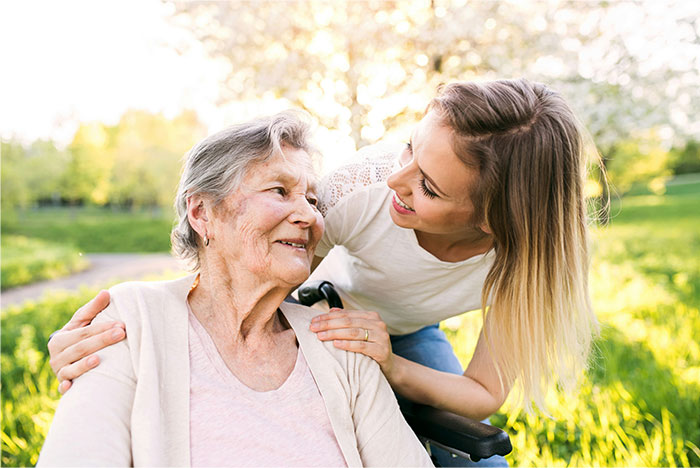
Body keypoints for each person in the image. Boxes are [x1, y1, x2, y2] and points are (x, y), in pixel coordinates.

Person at [48, 79, 600, 465]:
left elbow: (482, 391)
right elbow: (243, 268)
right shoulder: (359, 189)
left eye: (427, 186)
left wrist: (389, 364)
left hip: (393, 335)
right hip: (331, 302)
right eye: (409, 148)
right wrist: (138, 328)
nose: (396, 180)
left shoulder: (531, 257)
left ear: (493, 220)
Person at [38, 112, 433, 467]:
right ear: (202, 213)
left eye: (312, 199)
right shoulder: (131, 321)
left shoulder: (338, 343)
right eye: (279, 191)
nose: (309, 215)